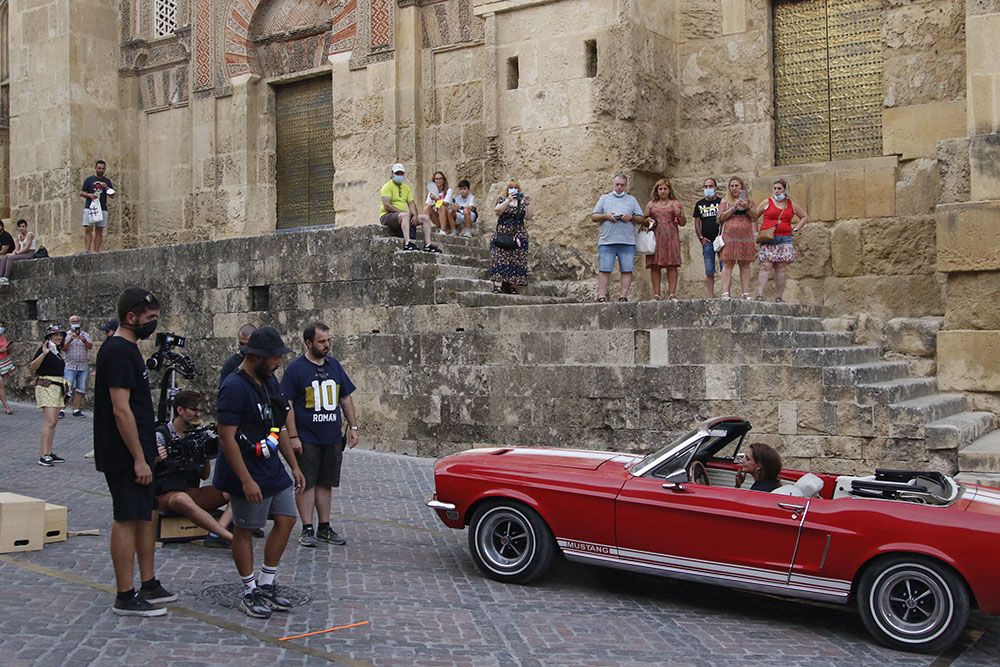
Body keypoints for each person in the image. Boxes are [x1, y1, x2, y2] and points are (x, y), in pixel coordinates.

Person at [94, 287, 176, 617]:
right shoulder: (117, 351)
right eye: (150, 318)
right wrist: (138, 458)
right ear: (131, 317)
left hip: (140, 449)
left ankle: (149, 582)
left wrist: (149, 447)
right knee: (127, 518)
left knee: (145, 514)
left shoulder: (130, 350)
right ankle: (125, 595)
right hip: (125, 455)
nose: (153, 324)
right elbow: (121, 410)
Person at [214, 326, 305, 620]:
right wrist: (245, 480)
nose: (279, 362)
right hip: (245, 467)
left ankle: (267, 582)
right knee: (245, 528)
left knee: (287, 518)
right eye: (276, 357)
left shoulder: (268, 381)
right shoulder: (234, 386)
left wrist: (293, 465)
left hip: (269, 464)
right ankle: (249, 589)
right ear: (259, 356)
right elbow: (226, 438)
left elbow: (277, 427)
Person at [281, 322, 359, 548]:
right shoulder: (296, 369)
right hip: (307, 437)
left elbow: (345, 397)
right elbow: (287, 404)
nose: (327, 345)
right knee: (306, 483)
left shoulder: (334, 366)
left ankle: (324, 527)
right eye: (321, 341)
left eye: (328, 341)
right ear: (308, 343)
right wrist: (294, 436)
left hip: (332, 437)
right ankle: (307, 529)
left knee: (326, 483)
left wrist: (353, 427)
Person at [154, 390, 233, 548]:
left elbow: (205, 476)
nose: (198, 414)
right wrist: (156, 459)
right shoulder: (160, 435)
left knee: (235, 490)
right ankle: (228, 536)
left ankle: (217, 533)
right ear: (180, 410)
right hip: (166, 495)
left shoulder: (197, 434)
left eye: (199, 410)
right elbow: (143, 468)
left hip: (191, 492)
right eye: (194, 409)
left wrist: (204, 454)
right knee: (181, 499)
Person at [753, 178, 809, 303]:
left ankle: (779, 296)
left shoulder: (791, 204)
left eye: (780, 189)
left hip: (784, 238)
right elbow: (754, 216)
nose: (777, 191)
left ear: (785, 190)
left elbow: (804, 216)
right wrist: (755, 232)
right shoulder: (767, 202)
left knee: (781, 267)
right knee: (765, 265)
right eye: (775, 188)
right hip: (769, 238)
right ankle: (759, 294)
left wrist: (796, 229)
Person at [592, 173, 645, 302]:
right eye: (617, 184)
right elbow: (594, 216)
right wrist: (606, 216)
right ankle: (602, 296)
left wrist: (630, 217)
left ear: (626, 185)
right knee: (604, 269)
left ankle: (623, 296)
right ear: (613, 184)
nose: (619, 187)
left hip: (627, 241)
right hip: (607, 241)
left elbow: (641, 218)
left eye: (622, 185)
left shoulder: (632, 200)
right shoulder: (604, 198)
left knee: (627, 270)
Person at [379, 163, 442, 253]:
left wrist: (415, 215)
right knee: (405, 215)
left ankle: (428, 245)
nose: (399, 175)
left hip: (403, 215)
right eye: (397, 173)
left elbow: (411, 203)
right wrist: (403, 212)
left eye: (401, 173)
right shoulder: (387, 186)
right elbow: (387, 205)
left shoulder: (406, 188)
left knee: (425, 218)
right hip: (387, 215)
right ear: (392, 173)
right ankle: (407, 243)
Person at [643, 178, 686, 301]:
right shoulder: (651, 204)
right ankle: (656, 294)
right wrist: (647, 221)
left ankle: (672, 293)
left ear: (669, 190)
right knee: (655, 266)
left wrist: (680, 214)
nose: (662, 191)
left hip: (671, 237)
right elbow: (644, 220)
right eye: (660, 189)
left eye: (665, 189)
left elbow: (683, 223)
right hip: (656, 237)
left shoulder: (675, 203)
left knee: (672, 265)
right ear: (656, 190)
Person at [489, 179, 534, 294]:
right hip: (502, 234)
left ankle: (513, 286)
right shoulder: (502, 199)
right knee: (499, 257)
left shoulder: (521, 202)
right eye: (511, 188)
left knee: (517, 260)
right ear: (507, 190)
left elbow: (529, 217)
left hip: (518, 235)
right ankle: (498, 285)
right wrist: (509, 199)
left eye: (516, 188)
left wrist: (528, 204)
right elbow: (497, 211)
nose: (513, 190)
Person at [30, 325, 66, 466]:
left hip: (56, 387)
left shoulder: (57, 351)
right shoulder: (44, 349)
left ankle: (49, 452)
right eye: (55, 335)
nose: (58, 337)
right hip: (46, 386)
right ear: (49, 337)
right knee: (49, 421)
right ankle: (43, 454)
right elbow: (33, 366)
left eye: (60, 335)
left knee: (53, 422)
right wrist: (44, 353)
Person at [716, 177, 758, 300]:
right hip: (729, 237)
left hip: (745, 237)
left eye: (737, 186)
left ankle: (745, 292)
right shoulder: (725, 201)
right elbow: (720, 217)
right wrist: (733, 207)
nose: (734, 188)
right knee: (728, 263)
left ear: (742, 187)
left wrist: (746, 208)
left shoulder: (749, 202)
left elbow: (755, 216)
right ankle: (725, 292)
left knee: (745, 264)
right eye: (732, 186)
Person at [692, 178, 723, 298]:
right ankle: (710, 295)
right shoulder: (699, 204)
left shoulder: (721, 202)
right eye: (706, 187)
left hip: (721, 240)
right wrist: (701, 238)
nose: (708, 189)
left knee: (724, 267)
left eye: (710, 186)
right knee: (709, 270)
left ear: (716, 187)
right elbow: (697, 222)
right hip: (707, 241)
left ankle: (725, 293)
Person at [60, 314, 94, 418]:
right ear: (70, 323)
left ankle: (76, 409)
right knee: (67, 388)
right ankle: (61, 409)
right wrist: (71, 339)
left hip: (82, 366)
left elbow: (90, 346)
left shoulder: (85, 334)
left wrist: (83, 340)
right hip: (70, 365)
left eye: (77, 321)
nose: (75, 323)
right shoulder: (66, 335)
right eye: (73, 321)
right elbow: (63, 348)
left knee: (81, 389)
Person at [80, 159, 116, 253]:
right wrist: (89, 196)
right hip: (90, 206)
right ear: (95, 168)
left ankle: (96, 251)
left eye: (103, 168)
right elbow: (81, 192)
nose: (101, 170)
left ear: (105, 170)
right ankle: (87, 250)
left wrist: (106, 187)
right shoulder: (89, 180)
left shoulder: (107, 181)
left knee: (99, 230)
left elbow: (112, 195)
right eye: (99, 168)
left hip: (102, 208)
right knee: (88, 228)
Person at [0, 219, 38, 285]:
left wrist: (17, 253)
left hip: (29, 253)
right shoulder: (18, 236)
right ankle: (0, 277)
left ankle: (6, 277)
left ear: (26, 227)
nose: (21, 228)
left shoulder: (30, 235)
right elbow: (17, 248)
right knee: (6, 257)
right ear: (18, 228)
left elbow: (26, 248)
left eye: (23, 226)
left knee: (10, 258)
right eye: (20, 226)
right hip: (22, 253)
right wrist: (12, 253)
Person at [220, 323, 256, 388]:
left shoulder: (262, 362)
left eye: (247, 345)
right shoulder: (231, 364)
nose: (244, 348)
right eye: (241, 344)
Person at [424, 171, 454, 235]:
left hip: (448, 217)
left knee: (442, 207)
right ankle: (427, 228)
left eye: (440, 179)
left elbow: (446, 203)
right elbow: (427, 204)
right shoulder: (431, 192)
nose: (438, 180)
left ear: (443, 180)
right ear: (434, 181)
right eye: (436, 179)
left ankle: (443, 230)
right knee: (426, 208)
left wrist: (436, 199)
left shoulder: (448, 190)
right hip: (437, 216)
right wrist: (433, 204)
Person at [0, 321, 14, 414]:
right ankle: (6, 406)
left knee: (2, 386)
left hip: (4, 363)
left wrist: (7, 349)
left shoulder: (3, 337)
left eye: (2, 326)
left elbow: (7, 352)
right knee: (1, 385)